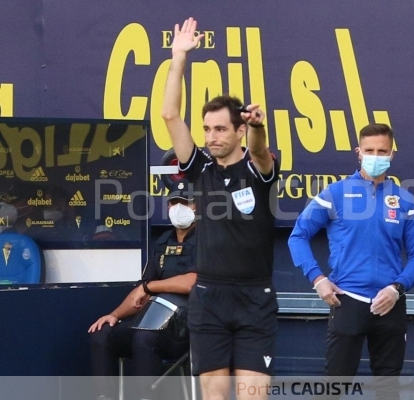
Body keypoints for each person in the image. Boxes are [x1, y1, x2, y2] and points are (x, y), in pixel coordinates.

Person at [161, 17, 280, 400]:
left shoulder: (257, 168)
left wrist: (259, 126)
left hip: (254, 300)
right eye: (208, 129)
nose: (211, 137)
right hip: (208, 298)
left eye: (221, 129)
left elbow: (262, 151)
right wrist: (179, 56)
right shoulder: (199, 169)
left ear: (239, 130)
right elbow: (170, 116)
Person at [288, 123, 414, 399]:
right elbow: (298, 236)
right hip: (347, 299)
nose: (376, 156)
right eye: (370, 150)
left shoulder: (405, 200)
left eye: (382, 151)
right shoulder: (335, 194)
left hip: (390, 303)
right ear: (358, 152)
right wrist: (318, 279)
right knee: (334, 388)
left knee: (388, 390)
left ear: (392, 154)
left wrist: (397, 288)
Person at [88, 178, 197, 400]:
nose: (179, 208)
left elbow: (192, 282)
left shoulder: (206, 240)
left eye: (186, 203)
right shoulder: (163, 242)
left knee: (143, 338)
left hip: (185, 328)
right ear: (167, 207)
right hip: (151, 321)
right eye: (174, 203)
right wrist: (114, 315)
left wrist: (150, 286)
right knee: (102, 334)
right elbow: (141, 292)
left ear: (198, 206)